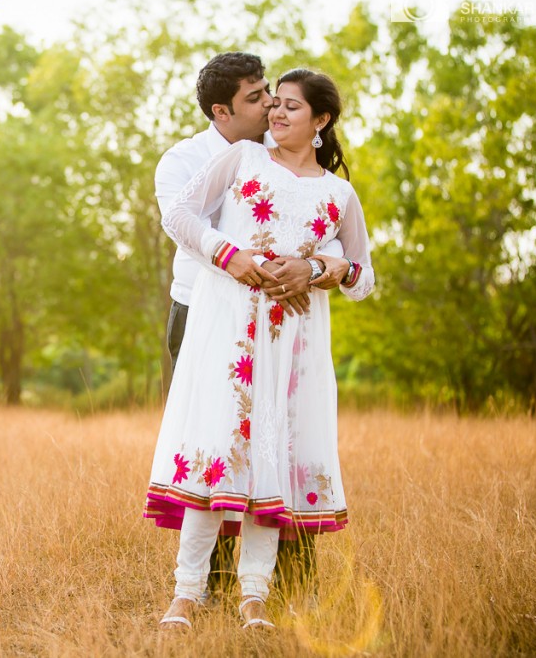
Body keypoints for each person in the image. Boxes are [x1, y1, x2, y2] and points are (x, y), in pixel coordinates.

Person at [145, 68, 374, 630]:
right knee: (215, 448)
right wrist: (231, 256)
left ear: (321, 122)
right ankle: (187, 592)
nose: (276, 111)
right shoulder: (243, 159)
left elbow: (364, 277)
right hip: (226, 327)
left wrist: (319, 267)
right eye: (273, 103)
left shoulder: (338, 193)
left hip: (292, 341)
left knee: (272, 454)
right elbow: (177, 213)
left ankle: (255, 595)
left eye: (291, 106)